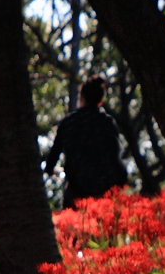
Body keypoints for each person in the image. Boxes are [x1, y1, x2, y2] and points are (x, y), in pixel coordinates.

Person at [44, 76, 128, 209]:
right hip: (104, 194)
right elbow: (116, 157)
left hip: (76, 194)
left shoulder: (68, 123)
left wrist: (52, 171)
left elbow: (51, 161)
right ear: (100, 101)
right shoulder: (106, 123)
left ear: (81, 97)